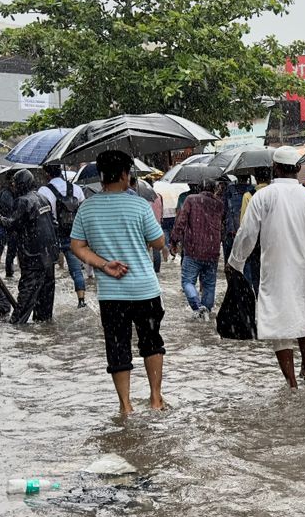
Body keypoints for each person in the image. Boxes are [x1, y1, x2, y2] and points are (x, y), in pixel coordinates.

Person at [228, 147, 305, 388]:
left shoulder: (263, 197)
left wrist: (235, 263)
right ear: (298, 169)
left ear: (275, 168)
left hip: (276, 271)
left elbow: (246, 234)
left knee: (280, 325)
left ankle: (291, 383)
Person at [69, 150, 168, 416]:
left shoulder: (87, 208)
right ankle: (156, 399)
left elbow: (77, 246)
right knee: (151, 343)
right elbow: (158, 243)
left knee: (117, 347)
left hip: (111, 294)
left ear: (101, 176)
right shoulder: (139, 205)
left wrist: (102, 263)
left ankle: (125, 406)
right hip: (144, 289)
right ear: (125, 175)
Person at [0, 169, 58, 325]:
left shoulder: (23, 201)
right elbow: (54, 224)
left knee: (24, 301)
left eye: (15, 184)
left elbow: (12, 224)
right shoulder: (43, 198)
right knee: (45, 305)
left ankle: (17, 331)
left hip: (33, 257)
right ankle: (44, 331)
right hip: (49, 256)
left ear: (21, 184)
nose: (13, 187)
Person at [171, 179, 224, 318]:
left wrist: (174, 240)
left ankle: (197, 306)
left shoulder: (191, 200)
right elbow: (222, 225)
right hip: (212, 251)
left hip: (193, 249)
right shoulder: (219, 203)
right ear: (214, 189)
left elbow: (181, 222)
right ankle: (206, 311)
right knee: (209, 285)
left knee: (188, 281)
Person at [38, 163, 88, 308]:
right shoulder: (76, 189)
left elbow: (41, 214)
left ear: (47, 174)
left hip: (52, 236)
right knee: (76, 270)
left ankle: (47, 306)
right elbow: (82, 212)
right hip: (72, 235)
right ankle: (81, 300)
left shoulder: (43, 191)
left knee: (48, 272)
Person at [221, 174, 254, 262]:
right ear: (248, 178)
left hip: (231, 231)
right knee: (246, 261)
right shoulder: (252, 190)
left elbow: (223, 211)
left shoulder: (230, 190)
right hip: (247, 232)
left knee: (229, 261)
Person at [0, 178, 19, 278]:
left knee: (0, 247)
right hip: (7, 226)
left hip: (1, 225)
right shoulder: (9, 196)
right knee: (11, 251)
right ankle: (9, 272)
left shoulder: (0, 196)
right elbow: (11, 212)